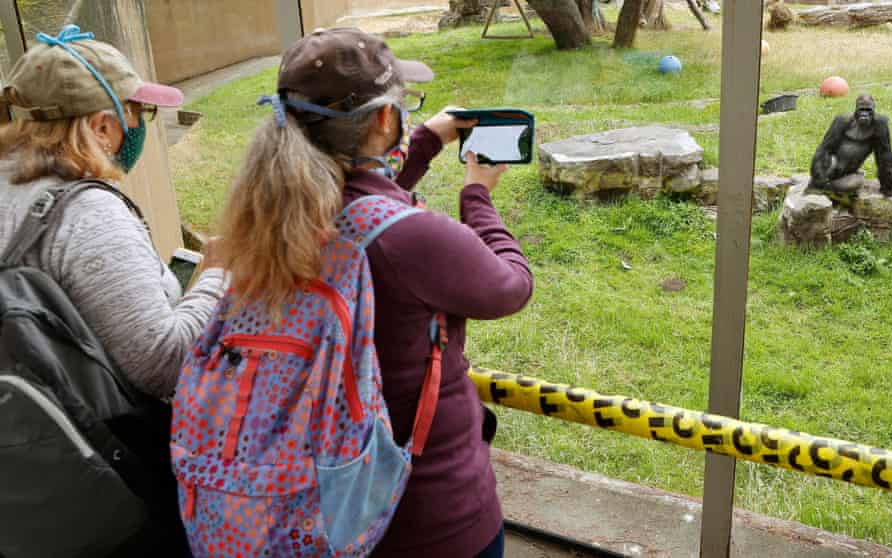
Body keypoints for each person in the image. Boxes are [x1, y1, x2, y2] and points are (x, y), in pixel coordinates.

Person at [220, 28, 533, 558]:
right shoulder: (413, 238)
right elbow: (511, 287)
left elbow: (364, 205)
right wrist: (478, 194)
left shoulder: (272, 214)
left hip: (319, 503)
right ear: (387, 120)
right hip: (426, 518)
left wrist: (429, 140)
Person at [0, 26, 225, 398]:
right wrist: (217, 276)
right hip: (90, 446)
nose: (139, 126)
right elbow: (164, 365)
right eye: (139, 112)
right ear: (101, 126)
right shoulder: (88, 216)